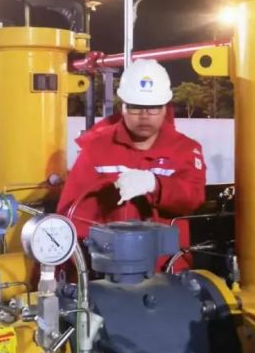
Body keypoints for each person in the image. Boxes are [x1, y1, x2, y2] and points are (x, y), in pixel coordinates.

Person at [57, 59, 206, 262]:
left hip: (167, 267)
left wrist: (156, 185)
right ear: (123, 107)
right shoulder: (96, 149)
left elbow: (193, 197)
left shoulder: (185, 149)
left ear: (165, 108)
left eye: (153, 107)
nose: (144, 115)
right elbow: (72, 213)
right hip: (107, 266)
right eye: (136, 107)